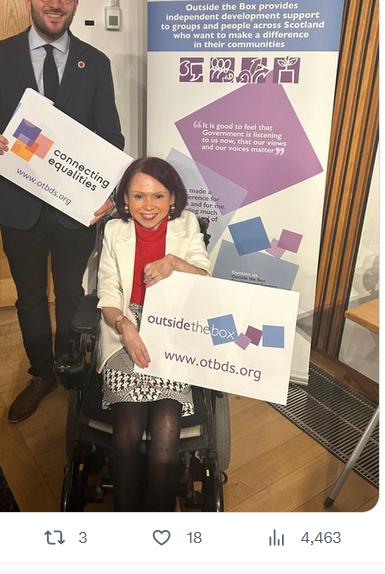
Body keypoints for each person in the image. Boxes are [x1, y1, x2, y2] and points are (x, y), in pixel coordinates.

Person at [0, 0, 124, 423]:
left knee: (72, 295)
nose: (55, 4)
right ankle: (41, 374)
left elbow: (109, 136)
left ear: (75, 3)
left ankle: (70, 368)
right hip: (19, 208)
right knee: (30, 297)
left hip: (76, 210)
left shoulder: (95, 63)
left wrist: (105, 190)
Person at [96, 157, 212, 511]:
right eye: (139, 197)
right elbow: (107, 294)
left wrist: (175, 263)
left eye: (158, 196)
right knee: (128, 431)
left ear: (173, 198)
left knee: (166, 425)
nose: (149, 207)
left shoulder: (187, 225)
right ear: (126, 201)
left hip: (173, 327)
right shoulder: (114, 231)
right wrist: (125, 326)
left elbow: (205, 279)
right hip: (125, 325)